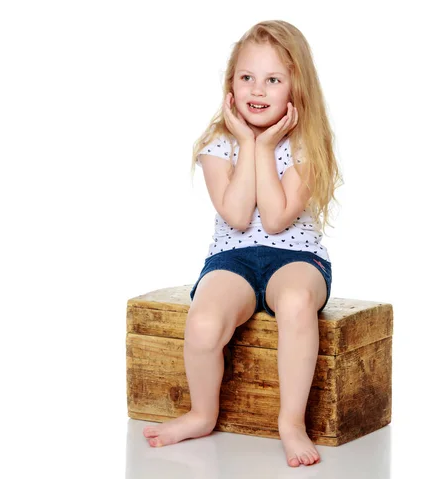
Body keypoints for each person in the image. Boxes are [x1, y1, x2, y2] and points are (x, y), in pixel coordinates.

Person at [143, 19, 343, 468]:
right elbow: (236, 215)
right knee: (203, 326)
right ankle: (201, 413)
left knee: (294, 302)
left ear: (296, 87)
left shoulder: (307, 144)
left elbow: (274, 219)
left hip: (297, 258)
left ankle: (290, 422)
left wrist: (266, 144)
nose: (258, 89)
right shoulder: (219, 144)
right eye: (247, 77)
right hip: (230, 260)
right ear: (230, 84)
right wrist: (249, 144)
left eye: (273, 79)